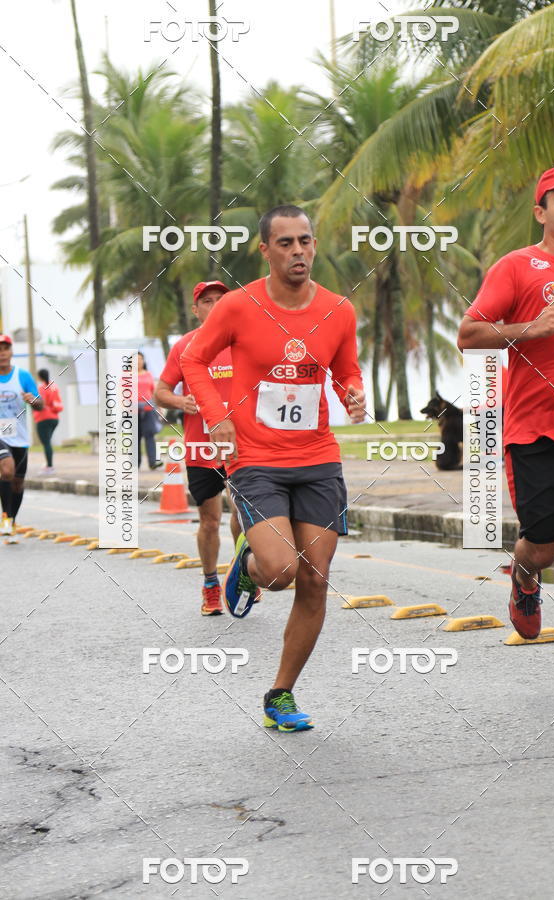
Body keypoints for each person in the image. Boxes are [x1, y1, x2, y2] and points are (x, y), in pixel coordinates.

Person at [181, 205, 366, 731]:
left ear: (314, 244)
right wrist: (217, 416)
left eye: (305, 240)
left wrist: (353, 393)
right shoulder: (238, 306)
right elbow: (194, 359)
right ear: (265, 250)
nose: (298, 251)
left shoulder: (338, 310)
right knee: (282, 571)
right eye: (285, 243)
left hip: (318, 458)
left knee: (315, 579)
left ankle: (280, 693)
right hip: (256, 459)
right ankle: (250, 562)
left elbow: (346, 369)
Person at [457, 167, 554, 704]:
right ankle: (523, 576)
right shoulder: (516, 268)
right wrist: (529, 328)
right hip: (535, 431)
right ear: (541, 212)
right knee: (543, 547)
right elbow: (468, 335)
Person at [155, 281, 242, 616]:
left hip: (241, 445)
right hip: (201, 448)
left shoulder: (243, 340)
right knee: (209, 520)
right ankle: (210, 585)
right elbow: (161, 391)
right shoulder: (184, 346)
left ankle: (241, 571)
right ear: (196, 310)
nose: (216, 305)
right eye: (208, 301)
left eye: (221, 299)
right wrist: (181, 401)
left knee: (245, 513)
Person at [0, 334, 43, 543]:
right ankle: (6, 519)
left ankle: (12, 520)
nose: (2, 353)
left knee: (17, 483)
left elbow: (40, 404)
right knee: (7, 470)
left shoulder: (23, 376)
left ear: (11, 352)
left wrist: (32, 400)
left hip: (19, 435)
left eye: (5, 348)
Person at [33, 368, 63, 474]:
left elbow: (40, 403)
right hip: (54, 418)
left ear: (39, 377)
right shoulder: (54, 386)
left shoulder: (41, 388)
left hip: (43, 418)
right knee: (48, 442)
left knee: (46, 443)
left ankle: (50, 467)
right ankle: (48, 464)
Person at [137, 352, 163, 470]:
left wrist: (159, 408)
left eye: (140, 359)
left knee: (150, 435)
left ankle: (153, 462)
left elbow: (153, 392)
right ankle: (135, 464)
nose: (138, 361)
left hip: (149, 409)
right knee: (135, 437)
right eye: (136, 359)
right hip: (132, 411)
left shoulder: (148, 375)